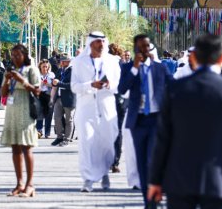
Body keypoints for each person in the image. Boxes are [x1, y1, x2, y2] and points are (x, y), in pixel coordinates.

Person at [148, 34, 222, 209]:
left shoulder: (175, 90)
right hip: (219, 180)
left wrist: (155, 181)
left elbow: (163, 139)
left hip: (179, 179)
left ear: (193, 57)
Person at [119, 34, 174, 205]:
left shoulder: (160, 67)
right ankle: (148, 202)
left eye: (147, 46)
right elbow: (122, 89)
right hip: (139, 121)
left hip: (157, 120)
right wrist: (135, 68)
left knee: (152, 160)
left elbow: (173, 86)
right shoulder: (128, 68)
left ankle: (155, 195)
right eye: (141, 47)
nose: (144, 49)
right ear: (136, 49)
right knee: (142, 163)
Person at [71, 32, 121, 192]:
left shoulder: (112, 61)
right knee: (87, 142)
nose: (101, 46)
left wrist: (108, 85)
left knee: (107, 142)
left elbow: (119, 85)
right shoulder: (79, 62)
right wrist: (90, 85)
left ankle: (104, 172)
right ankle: (88, 179)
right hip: (86, 108)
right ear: (90, 44)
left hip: (107, 106)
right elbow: (74, 86)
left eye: (103, 43)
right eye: (98, 43)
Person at [0, 44, 41, 198]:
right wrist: (6, 80)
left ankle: (30, 185)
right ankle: (19, 183)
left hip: (26, 111)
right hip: (12, 112)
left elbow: (37, 91)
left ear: (24, 56)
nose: (15, 58)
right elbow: (3, 93)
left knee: (26, 147)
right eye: (13, 55)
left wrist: (22, 81)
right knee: (15, 148)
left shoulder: (32, 70)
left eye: (18, 55)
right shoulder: (10, 71)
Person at [108, 42, 127, 173]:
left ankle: (108, 160)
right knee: (118, 130)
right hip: (120, 99)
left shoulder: (105, 63)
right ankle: (115, 161)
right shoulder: (123, 65)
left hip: (107, 98)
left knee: (106, 129)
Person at [51, 54, 75, 147]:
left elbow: (72, 85)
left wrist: (59, 83)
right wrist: (53, 81)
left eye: (63, 61)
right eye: (61, 61)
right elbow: (55, 81)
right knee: (57, 117)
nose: (61, 62)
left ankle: (67, 139)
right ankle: (59, 137)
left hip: (69, 98)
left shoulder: (73, 70)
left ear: (68, 61)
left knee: (69, 120)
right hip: (59, 97)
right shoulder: (60, 70)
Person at [37, 60, 55, 139]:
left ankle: (47, 132)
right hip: (39, 95)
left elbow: (54, 85)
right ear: (40, 66)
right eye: (43, 66)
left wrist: (47, 84)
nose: (45, 68)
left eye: (46, 66)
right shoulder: (37, 74)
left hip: (48, 95)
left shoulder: (51, 75)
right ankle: (38, 131)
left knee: (48, 114)